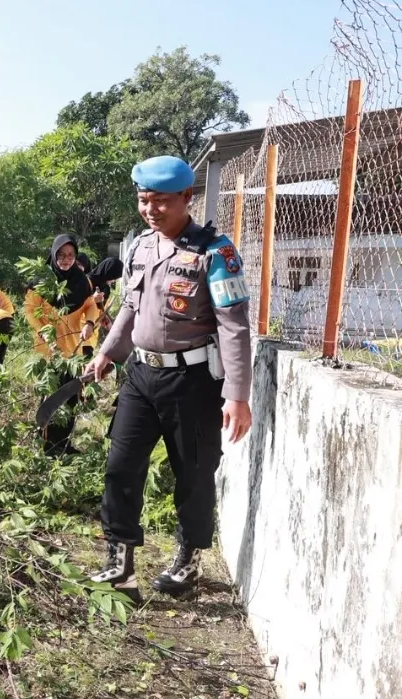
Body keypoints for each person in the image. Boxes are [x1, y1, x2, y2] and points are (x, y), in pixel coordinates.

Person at [85, 155, 253, 599]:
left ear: (187, 198)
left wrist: (237, 396)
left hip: (194, 383)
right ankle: (120, 565)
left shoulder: (216, 253)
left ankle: (188, 561)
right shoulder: (140, 246)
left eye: (161, 202)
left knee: (194, 475)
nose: (151, 210)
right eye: (144, 201)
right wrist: (107, 353)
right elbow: (129, 307)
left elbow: (234, 327)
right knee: (121, 467)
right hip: (141, 376)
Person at [24, 234, 100, 454]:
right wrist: (44, 331)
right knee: (52, 397)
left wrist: (90, 323)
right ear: (53, 254)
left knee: (70, 398)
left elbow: (90, 305)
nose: (66, 259)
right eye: (61, 255)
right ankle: (48, 444)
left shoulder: (82, 280)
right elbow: (29, 311)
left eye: (70, 255)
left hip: (73, 349)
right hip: (49, 349)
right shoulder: (41, 281)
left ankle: (63, 443)